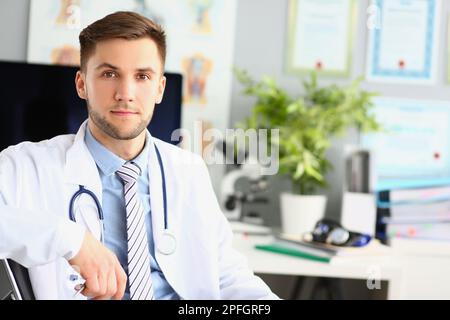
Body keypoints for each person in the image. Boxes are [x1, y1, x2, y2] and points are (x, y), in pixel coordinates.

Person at [0, 11, 278, 300]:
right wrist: (69, 239)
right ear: (82, 84)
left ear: (160, 88)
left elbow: (228, 275)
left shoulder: (189, 170)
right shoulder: (26, 166)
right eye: (109, 74)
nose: (126, 93)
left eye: (142, 76)